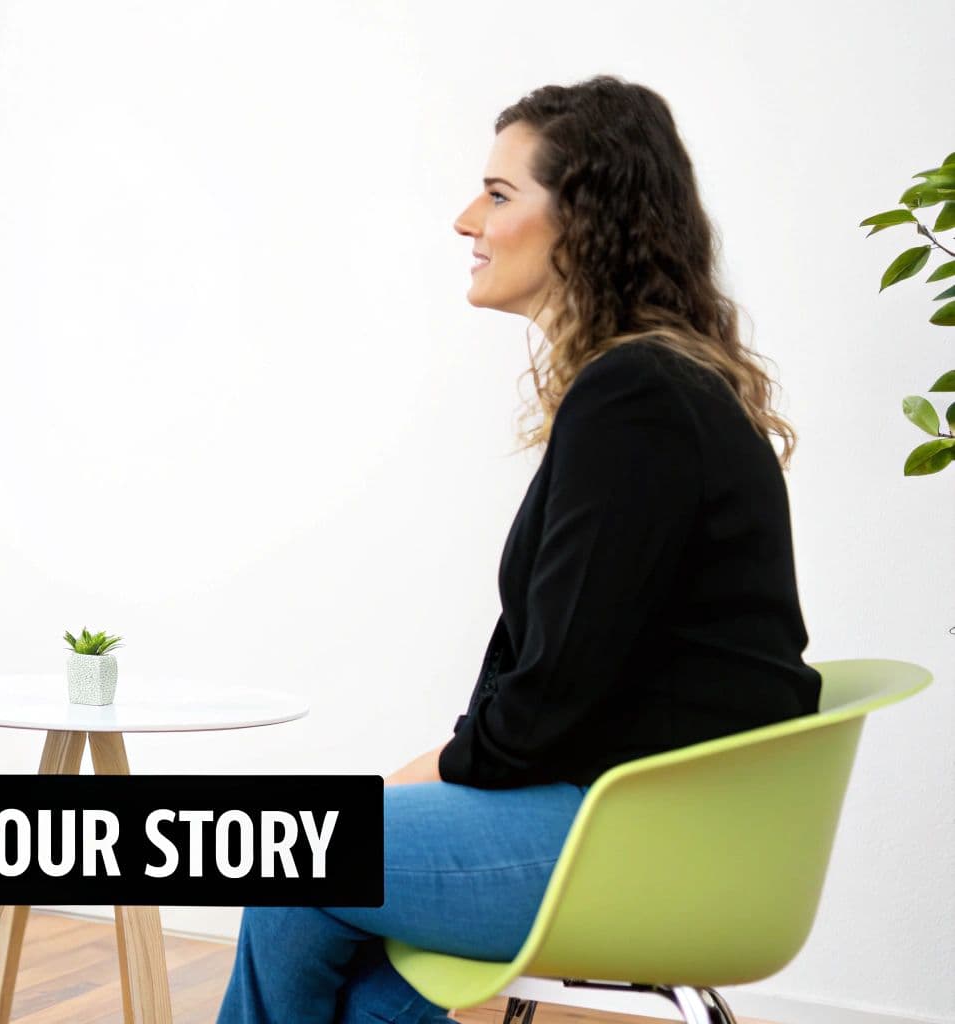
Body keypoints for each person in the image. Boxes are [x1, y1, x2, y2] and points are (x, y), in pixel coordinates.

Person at [217, 77, 821, 1024]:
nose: (469, 219)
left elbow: (555, 694)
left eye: (499, 195)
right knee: (362, 971)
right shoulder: (657, 385)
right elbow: (573, 674)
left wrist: (443, 762)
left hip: (637, 837)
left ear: (586, 219)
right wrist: (451, 761)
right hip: (670, 822)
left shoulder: (636, 398)